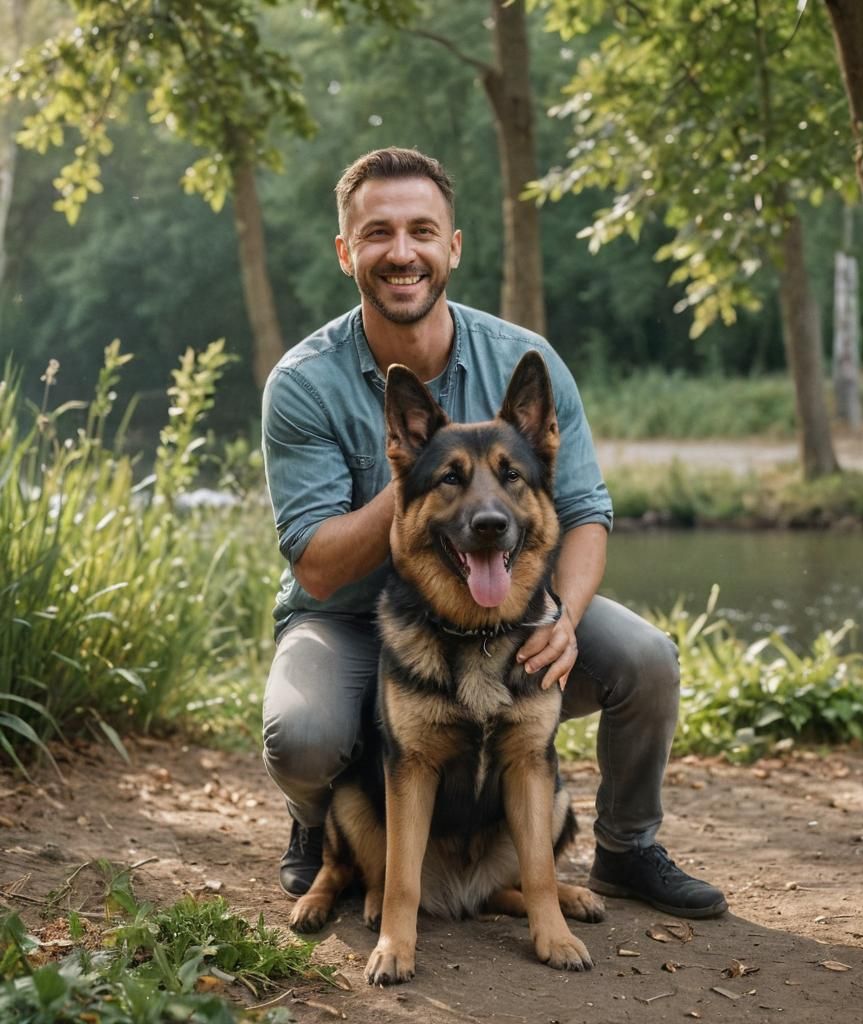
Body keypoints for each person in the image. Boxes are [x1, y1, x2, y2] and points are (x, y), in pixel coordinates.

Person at [261, 147, 727, 920]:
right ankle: (325, 832)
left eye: (422, 230)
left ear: (454, 245)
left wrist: (566, 618)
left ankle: (627, 847)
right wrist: (420, 472)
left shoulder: (522, 359)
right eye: (378, 234)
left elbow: (584, 511)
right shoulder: (304, 382)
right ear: (347, 252)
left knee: (645, 658)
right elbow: (315, 566)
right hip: (348, 617)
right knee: (304, 736)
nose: (402, 252)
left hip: (502, 603)